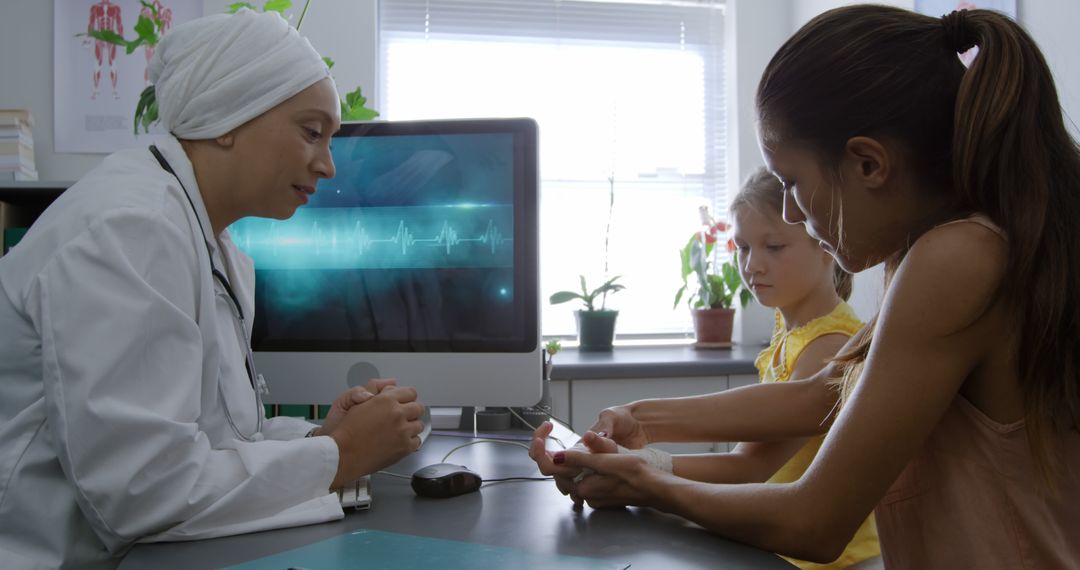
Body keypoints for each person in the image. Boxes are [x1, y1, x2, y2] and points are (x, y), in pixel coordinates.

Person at [533, 5, 1080, 568]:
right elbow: (828, 395)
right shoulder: (954, 243)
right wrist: (641, 417)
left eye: (792, 183)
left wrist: (645, 484)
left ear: (869, 163)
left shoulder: (960, 257)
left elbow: (814, 522)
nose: (792, 211)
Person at [0, 10, 425, 569]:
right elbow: (141, 492)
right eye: (312, 131)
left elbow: (214, 437)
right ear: (228, 115)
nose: (326, 165)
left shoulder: (208, 242)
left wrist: (319, 436)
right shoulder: (132, 226)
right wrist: (340, 456)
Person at [532, 167, 879, 568]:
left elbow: (752, 468)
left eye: (774, 247)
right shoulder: (792, 328)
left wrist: (643, 469)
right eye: (744, 248)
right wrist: (631, 464)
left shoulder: (831, 345)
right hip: (771, 544)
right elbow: (749, 460)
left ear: (826, 244)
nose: (753, 265)